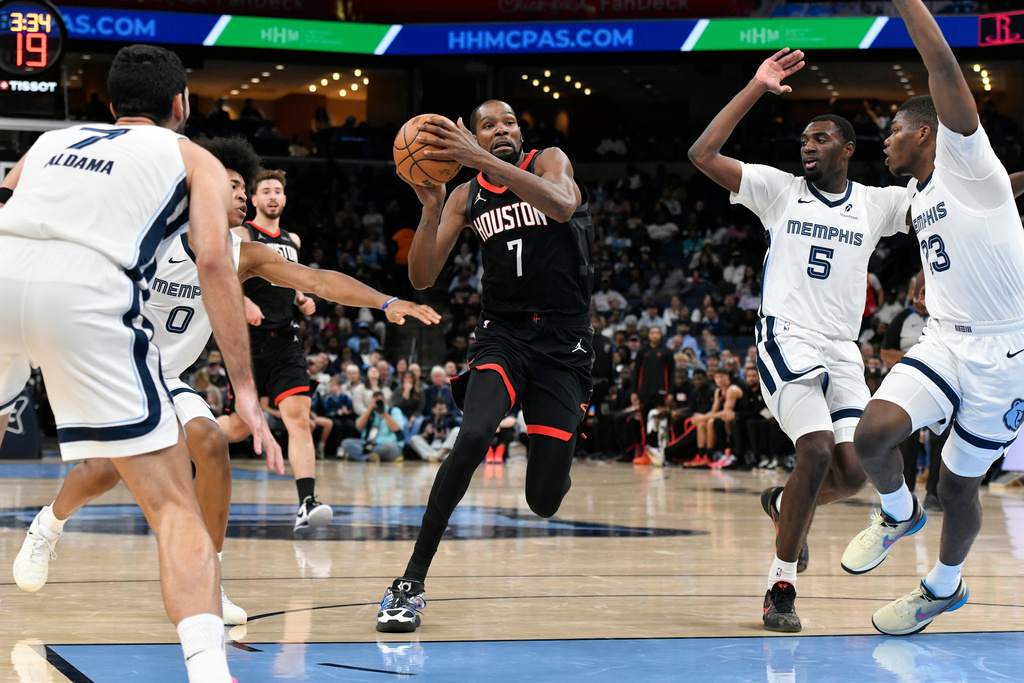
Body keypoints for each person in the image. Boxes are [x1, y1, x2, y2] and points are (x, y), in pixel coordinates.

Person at [10, 136, 440, 624]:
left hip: (166, 374)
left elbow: (318, 280)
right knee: (104, 471)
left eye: (245, 188)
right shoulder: (150, 231)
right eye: (233, 185)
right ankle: (46, 527)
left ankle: (209, 583)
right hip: (116, 365)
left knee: (211, 444)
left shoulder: (243, 253)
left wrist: (386, 302)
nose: (242, 195)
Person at [0, 44, 280, 683]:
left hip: (2, 269)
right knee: (169, 501)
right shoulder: (193, 158)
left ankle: (49, 527)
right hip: (85, 295)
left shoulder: (49, 143)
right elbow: (216, 264)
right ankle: (210, 671)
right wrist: (245, 388)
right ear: (181, 104)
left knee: (149, 454)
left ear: (109, 105)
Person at [688, 48, 911, 632]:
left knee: (857, 469)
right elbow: (702, 154)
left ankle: (784, 507)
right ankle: (779, 587)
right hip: (787, 334)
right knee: (812, 451)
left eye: (819, 138)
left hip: (842, 348)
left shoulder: (875, 203)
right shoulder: (778, 190)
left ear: (847, 149)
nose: (807, 146)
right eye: (803, 139)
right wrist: (756, 87)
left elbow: (959, 205)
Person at [840, 0, 1024, 637]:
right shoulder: (920, 195)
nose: (883, 140)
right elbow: (998, 196)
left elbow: (942, 64)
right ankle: (896, 513)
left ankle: (942, 587)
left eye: (892, 128)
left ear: (925, 132)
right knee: (871, 436)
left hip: (1006, 354)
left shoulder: (965, 160)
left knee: (958, 489)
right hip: (945, 340)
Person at [376, 100, 594, 633]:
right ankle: (410, 581)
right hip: (504, 336)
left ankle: (557, 443)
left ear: (522, 132)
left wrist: (484, 159)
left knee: (543, 501)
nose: (502, 130)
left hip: (564, 344)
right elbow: (423, 277)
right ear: (473, 137)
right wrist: (430, 210)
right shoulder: (465, 194)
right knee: (472, 438)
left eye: (510, 122)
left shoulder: (549, 162)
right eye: (488, 126)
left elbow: (563, 206)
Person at [217, 169, 326, 530]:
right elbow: (220, 275)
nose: (273, 197)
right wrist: (243, 300)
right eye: (266, 191)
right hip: (247, 344)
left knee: (298, 415)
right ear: (255, 198)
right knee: (238, 429)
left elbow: (288, 278)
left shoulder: (292, 238)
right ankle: (182, 438)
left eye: (278, 191)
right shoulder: (243, 233)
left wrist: (300, 297)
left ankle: (307, 502)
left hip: (285, 339)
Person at [879, 271, 936, 506]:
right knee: (906, 439)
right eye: (918, 289)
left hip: (939, 381)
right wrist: (913, 357)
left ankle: (935, 493)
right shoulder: (902, 318)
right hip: (910, 378)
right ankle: (906, 494)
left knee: (941, 439)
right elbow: (884, 352)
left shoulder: (942, 316)